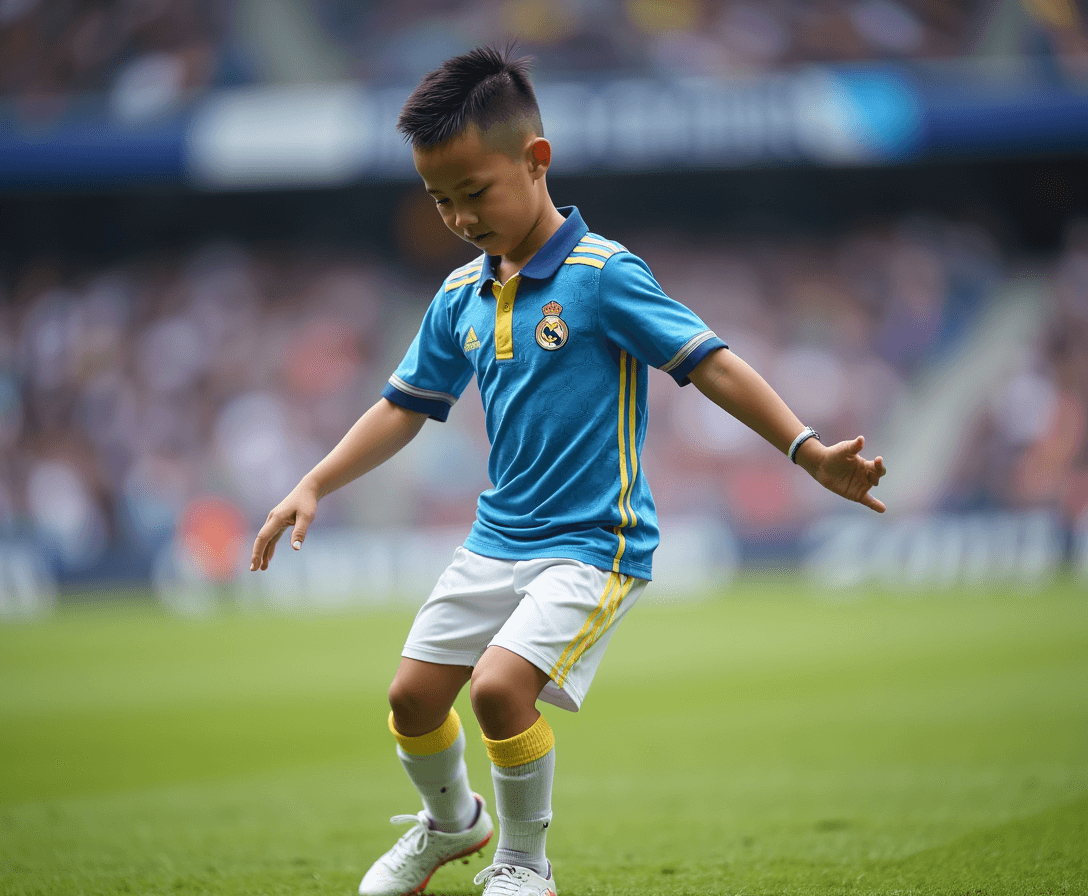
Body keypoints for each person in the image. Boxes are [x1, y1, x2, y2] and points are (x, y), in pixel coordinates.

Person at [250, 45, 887, 896]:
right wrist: (315, 482)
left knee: (500, 692)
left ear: (535, 160)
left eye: (475, 193)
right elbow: (404, 404)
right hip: (496, 537)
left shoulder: (603, 275)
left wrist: (806, 450)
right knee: (410, 700)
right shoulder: (458, 296)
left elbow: (711, 362)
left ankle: (524, 866)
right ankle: (453, 826)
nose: (461, 218)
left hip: (595, 541)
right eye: (441, 202)